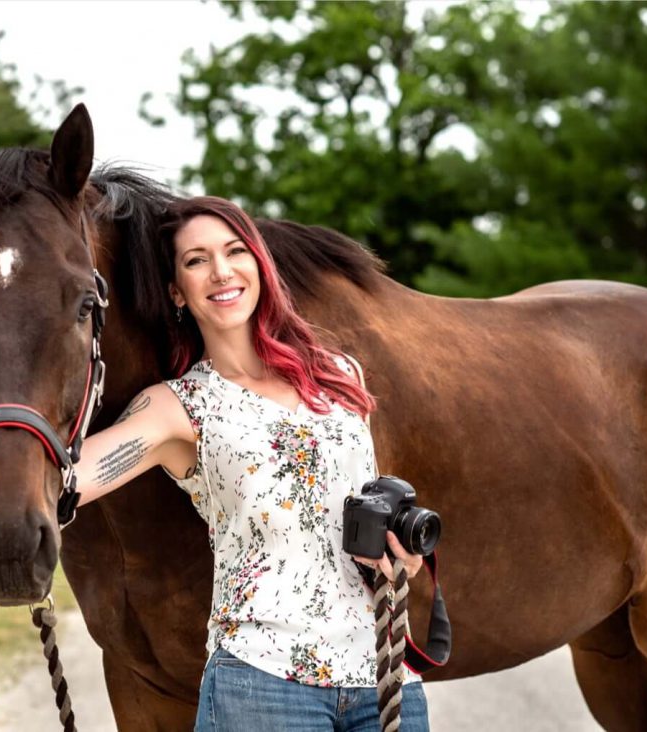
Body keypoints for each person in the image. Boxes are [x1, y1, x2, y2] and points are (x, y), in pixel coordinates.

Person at [74, 196, 430, 731]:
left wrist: (401, 558)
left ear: (260, 265)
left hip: (383, 675)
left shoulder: (339, 376)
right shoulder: (179, 406)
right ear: (176, 290)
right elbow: (65, 481)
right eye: (196, 260)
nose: (221, 271)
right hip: (264, 684)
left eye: (235, 250)